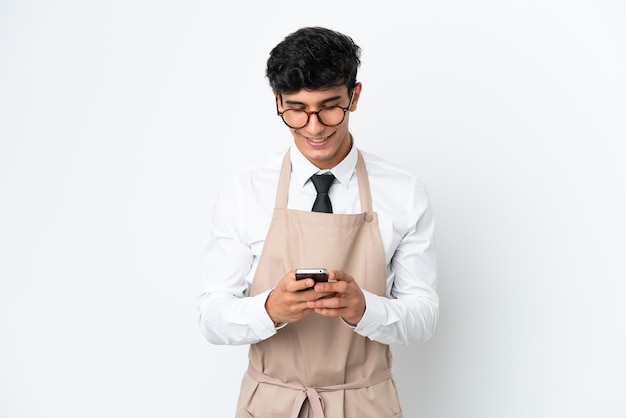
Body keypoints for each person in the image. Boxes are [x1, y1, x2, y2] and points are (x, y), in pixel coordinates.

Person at [198, 26, 438, 418]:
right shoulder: (244, 192)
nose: (314, 127)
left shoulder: (404, 191)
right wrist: (270, 309)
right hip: (270, 404)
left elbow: (423, 315)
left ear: (354, 96)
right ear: (277, 100)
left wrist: (365, 309)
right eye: (296, 109)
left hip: (365, 404)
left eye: (329, 106)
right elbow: (211, 317)